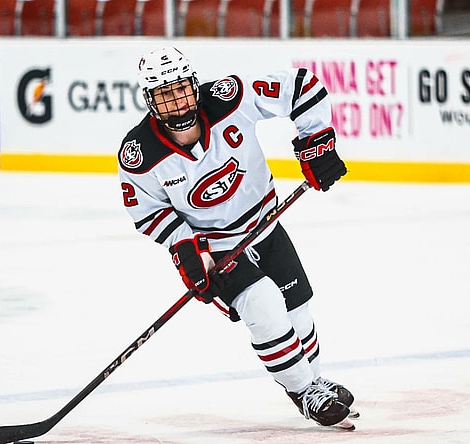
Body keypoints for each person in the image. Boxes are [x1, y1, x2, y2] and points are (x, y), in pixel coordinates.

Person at [117, 46, 356, 428]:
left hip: (267, 225)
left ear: (194, 85)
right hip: (217, 250)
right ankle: (303, 391)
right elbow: (147, 211)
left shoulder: (231, 97)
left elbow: (302, 87)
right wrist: (186, 248)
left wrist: (316, 145)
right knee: (263, 306)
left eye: (180, 89)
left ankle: (314, 379)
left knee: (298, 311)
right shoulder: (138, 154)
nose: (176, 102)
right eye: (164, 95)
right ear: (149, 100)